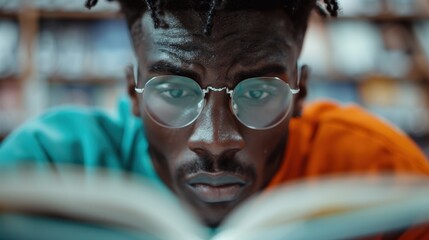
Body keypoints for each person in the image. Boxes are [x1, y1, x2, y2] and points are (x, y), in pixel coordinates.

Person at [0, 0, 429, 236]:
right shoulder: (44, 169)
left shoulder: (383, 174)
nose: (216, 140)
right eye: (173, 90)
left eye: (260, 92)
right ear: (133, 92)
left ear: (303, 94)